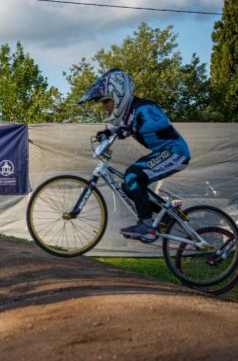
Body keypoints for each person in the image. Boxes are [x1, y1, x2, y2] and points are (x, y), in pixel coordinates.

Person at [78, 68, 191, 243]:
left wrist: (132, 129)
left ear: (118, 95)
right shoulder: (128, 114)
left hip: (175, 151)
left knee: (133, 175)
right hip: (165, 152)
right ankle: (167, 216)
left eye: (106, 102)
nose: (105, 107)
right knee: (128, 185)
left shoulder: (143, 107)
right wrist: (106, 134)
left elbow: (160, 121)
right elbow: (120, 128)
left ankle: (147, 226)